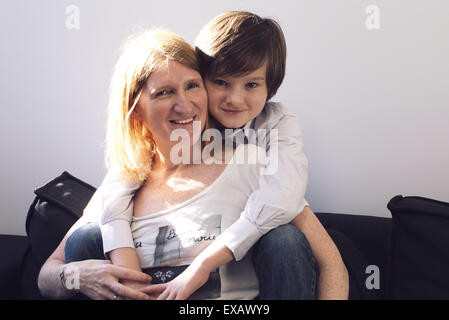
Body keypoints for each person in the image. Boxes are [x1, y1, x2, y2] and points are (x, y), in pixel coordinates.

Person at [38, 13, 348, 300]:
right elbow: (48, 274)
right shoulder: (123, 185)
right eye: (164, 92)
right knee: (86, 240)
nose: (184, 106)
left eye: (192, 86)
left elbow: (329, 263)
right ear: (135, 110)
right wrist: (75, 274)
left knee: (285, 238)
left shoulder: (255, 163)